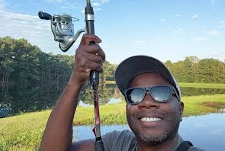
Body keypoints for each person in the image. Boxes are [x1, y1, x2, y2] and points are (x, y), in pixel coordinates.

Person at [39, 34, 203, 151]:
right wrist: (76, 81)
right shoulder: (118, 143)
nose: (146, 102)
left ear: (180, 109)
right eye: (135, 94)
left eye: (161, 92)